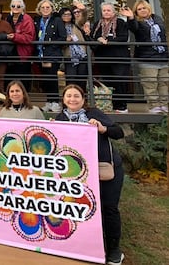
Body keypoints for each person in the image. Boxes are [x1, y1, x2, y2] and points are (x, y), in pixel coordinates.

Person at [55, 84, 125, 265]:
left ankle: (114, 249)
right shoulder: (60, 118)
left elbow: (119, 132)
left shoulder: (94, 114)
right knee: (81, 208)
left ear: (83, 99)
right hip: (77, 174)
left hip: (104, 169)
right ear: (63, 100)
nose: (72, 99)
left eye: (76, 96)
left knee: (108, 207)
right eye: (68, 96)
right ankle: (85, 245)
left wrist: (103, 129)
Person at [123, 0, 169, 113]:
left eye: (144, 8)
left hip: (163, 56)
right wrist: (131, 18)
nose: (142, 10)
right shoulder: (136, 22)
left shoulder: (157, 19)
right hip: (147, 58)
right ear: (136, 12)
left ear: (149, 9)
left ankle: (164, 105)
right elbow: (133, 28)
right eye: (139, 9)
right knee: (150, 84)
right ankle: (154, 106)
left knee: (163, 83)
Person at [91, 2, 131, 113]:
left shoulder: (120, 22)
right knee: (108, 82)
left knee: (120, 81)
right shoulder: (97, 24)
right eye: (104, 10)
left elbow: (123, 37)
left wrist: (108, 41)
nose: (106, 12)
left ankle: (122, 105)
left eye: (109, 10)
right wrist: (98, 39)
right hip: (103, 58)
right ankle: (110, 104)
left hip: (119, 57)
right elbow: (92, 38)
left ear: (113, 12)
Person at [34, 0, 66, 112]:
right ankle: (49, 102)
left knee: (52, 78)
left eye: (48, 7)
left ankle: (55, 102)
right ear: (39, 9)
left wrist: (51, 47)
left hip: (53, 54)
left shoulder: (57, 20)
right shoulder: (37, 21)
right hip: (40, 55)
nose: (45, 9)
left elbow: (62, 37)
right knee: (46, 80)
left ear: (52, 9)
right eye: (43, 7)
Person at [59, 6, 90, 87]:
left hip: (82, 56)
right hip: (69, 58)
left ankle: (82, 98)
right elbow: (59, 43)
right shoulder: (59, 27)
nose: (67, 16)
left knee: (82, 81)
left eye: (69, 14)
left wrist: (83, 8)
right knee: (71, 81)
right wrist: (66, 41)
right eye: (64, 15)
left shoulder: (76, 24)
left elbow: (84, 16)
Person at [6, 0, 35, 81]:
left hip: (22, 55)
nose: (15, 7)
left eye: (18, 6)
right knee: (10, 81)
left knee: (22, 81)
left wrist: (15, 37)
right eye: (13, 5)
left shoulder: (27, 19)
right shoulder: (8, 18)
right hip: (9, 55)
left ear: (23, 8)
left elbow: (29, 37)